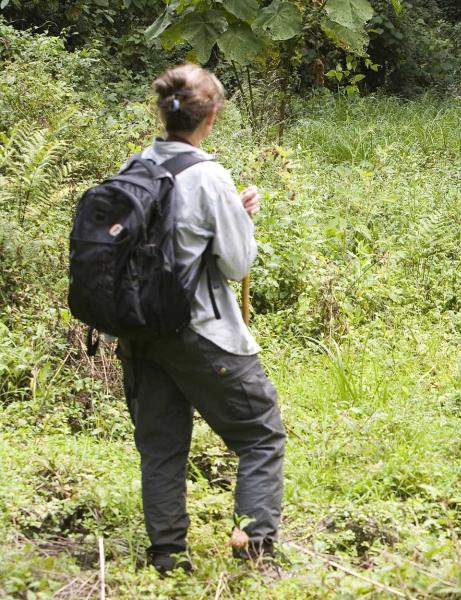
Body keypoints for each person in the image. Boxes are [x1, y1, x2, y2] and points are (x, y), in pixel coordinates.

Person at [116, 64, 286, 573]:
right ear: (210, 117)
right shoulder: (210, 175)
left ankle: (167, 559)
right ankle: (255, 551)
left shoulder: (137, 165)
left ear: (162, 112)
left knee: (161, 448)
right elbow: (237, 264)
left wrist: (229, 211)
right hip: (200, 332)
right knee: (261, 435)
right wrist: (238, 218)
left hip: (139, 331)